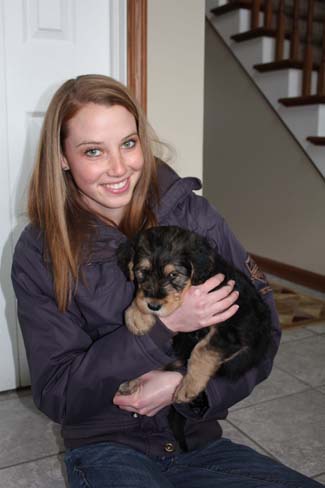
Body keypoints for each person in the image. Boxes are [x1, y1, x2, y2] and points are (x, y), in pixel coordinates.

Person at [11, 74, 323, 488]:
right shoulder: (39, 251)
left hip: (199, 441)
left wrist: (185, 385)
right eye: (93, 151)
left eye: (128, 143)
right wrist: (163, 328)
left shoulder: (194, 215)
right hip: (107, 445)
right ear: (63, 157)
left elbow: (262, 333)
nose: (120, 168)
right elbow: (56, 393)